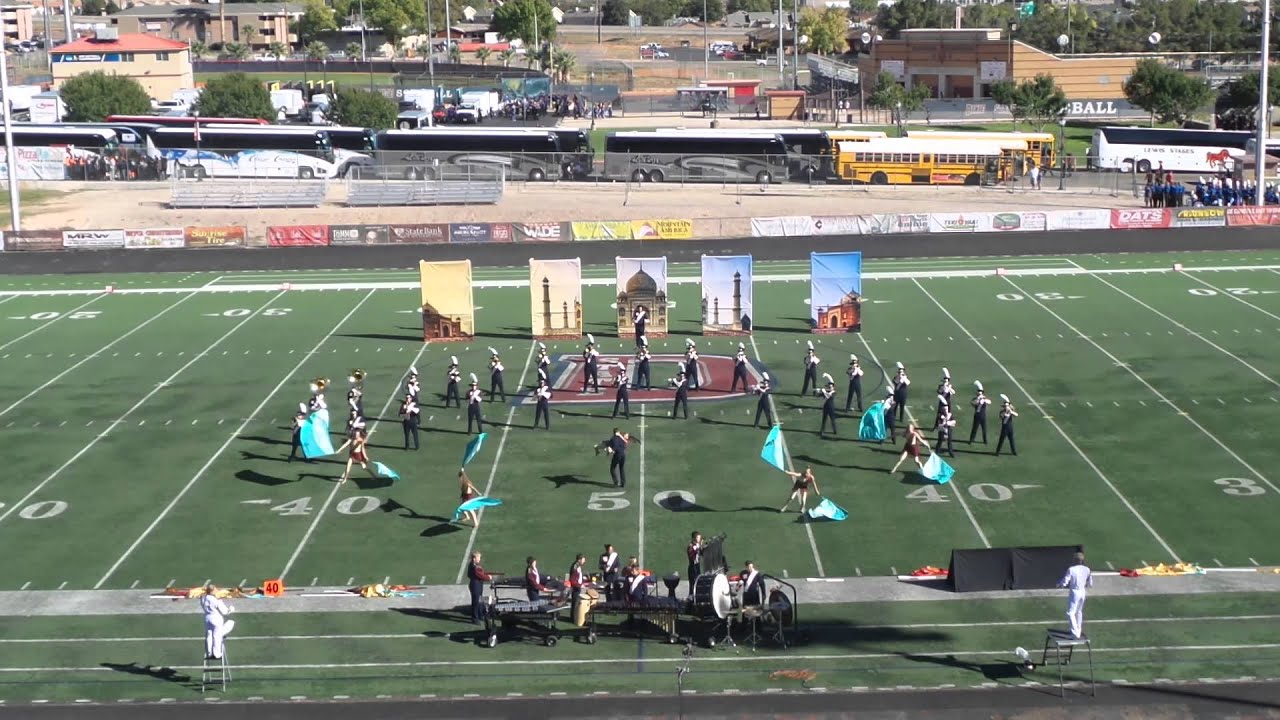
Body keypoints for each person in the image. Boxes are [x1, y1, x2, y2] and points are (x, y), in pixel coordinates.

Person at [1057, 552, 1093, 638]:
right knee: (1079, 611)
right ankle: (1078, 630)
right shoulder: (1087, 569)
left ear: (1075, 560)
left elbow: (1065, 581)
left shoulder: (1071, 569)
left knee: (1070, 612)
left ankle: (1075, 632)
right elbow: (1090, 583)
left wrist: (1060, 584)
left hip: (1075, 592)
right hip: (1082, 591)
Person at [200, 584, 235, 660]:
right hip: (216, 618)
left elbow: (202, 606)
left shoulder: (203, 598)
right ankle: (217, 654)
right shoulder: (216, 599)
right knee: (217, 636)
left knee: (209, 635)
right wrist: (231, 609)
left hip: (207, 618)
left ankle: (209, 653)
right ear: (212, 591)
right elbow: (225, 611)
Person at [466, 551, 491, 624]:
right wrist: (488, 577)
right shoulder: (474, 566)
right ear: (474, 558)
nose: (479, 559)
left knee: (479, 600)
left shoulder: (473, 565)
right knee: (476, 601)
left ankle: (480, 615)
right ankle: (475, 618)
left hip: (477, 584)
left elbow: (478, 573)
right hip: (475, 585)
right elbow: (480, 575)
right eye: (478, 557)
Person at [686, 531, 704, 597]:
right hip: (692, 567)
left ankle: (697, 596)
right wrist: (697, 548)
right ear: (694, 538)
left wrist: (701, 547)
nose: (699, 539)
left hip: (697, 566)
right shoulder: (690, 546)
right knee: (693, 583)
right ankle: (691, 596)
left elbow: (702, 554)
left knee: (698, 581)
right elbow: (691, 557)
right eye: (698, 538)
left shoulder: (698, 545)